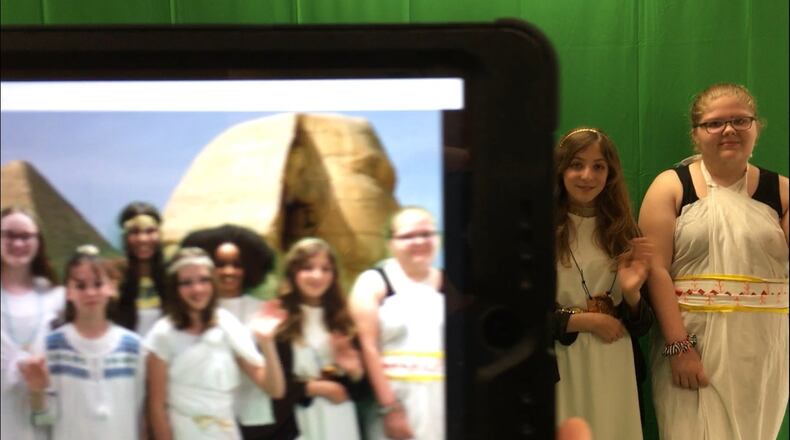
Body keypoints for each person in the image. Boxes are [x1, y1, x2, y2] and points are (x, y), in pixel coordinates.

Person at [639, 83, 789, 439]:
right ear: (696, 134)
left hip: (763, 351)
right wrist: (679, 348)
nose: (729, 130)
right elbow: (655, 269)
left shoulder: (780, 191)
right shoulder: (671, 186)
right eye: (714, 123)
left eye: (740, 120)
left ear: (756, 127)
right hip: (691, 344)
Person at [551, 127, 654, 440]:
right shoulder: (537, 230)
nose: (587, 175)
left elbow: (642, 326)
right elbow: (519, 315)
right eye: (576, 164)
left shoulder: (624, 231)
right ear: (560, 170)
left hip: (614, 364)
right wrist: (584, 321)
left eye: (598, 166)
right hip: (562, 366)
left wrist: (633, 294)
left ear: (610, 174)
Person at [145, 247, 286, 440]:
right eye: (187, 283)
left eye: (204, 280)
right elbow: (156, 407)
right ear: (174, 288)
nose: (197, 289)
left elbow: (275, 390)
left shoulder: (227, 325)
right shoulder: (162, 334)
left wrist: (266, 342)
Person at [19, 245, 146, 440]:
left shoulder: (133, 347)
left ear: (112, 287)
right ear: (68, 292)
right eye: (80, 285)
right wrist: (37, 390)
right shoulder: (51, 347)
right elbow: (42, 421)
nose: (90, 292)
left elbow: (138, 415)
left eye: (98, 284)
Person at [350, 206, 445, 440]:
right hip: (394, 400)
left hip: (442, 401)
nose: (419, 241)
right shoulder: (373, 282)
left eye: (427, 233)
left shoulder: (449, 282)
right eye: (408, 236)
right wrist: (390, 409)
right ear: (390, 242)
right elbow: (368, 347)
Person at [180, 224, 277, 438]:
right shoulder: (194, 312)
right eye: (220, 264)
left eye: (237, 264)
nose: (229, 271)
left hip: (255, 413)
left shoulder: (263, 309)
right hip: (208, 416)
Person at [264, 237, 366, 440]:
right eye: (308, 268)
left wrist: (354, 370)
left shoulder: (343, 317)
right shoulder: (276, 314)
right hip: (294, 421)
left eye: (325, 269)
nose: (317, 276)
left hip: (339, 418)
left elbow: (362, 390)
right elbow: (267, 381)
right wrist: (313, 387)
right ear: (293, 272)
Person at [0, 206, 65, 440]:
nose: (17, 244)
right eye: (8, 235)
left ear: (39, 241)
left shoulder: (58, 297)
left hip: (42, 416)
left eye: (26, 236)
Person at [116, 201, 167, 336]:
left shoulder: (173, 277)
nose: (143, 239)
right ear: (125, 237)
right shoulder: (114, 277)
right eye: (135, 232)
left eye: (150, 231)